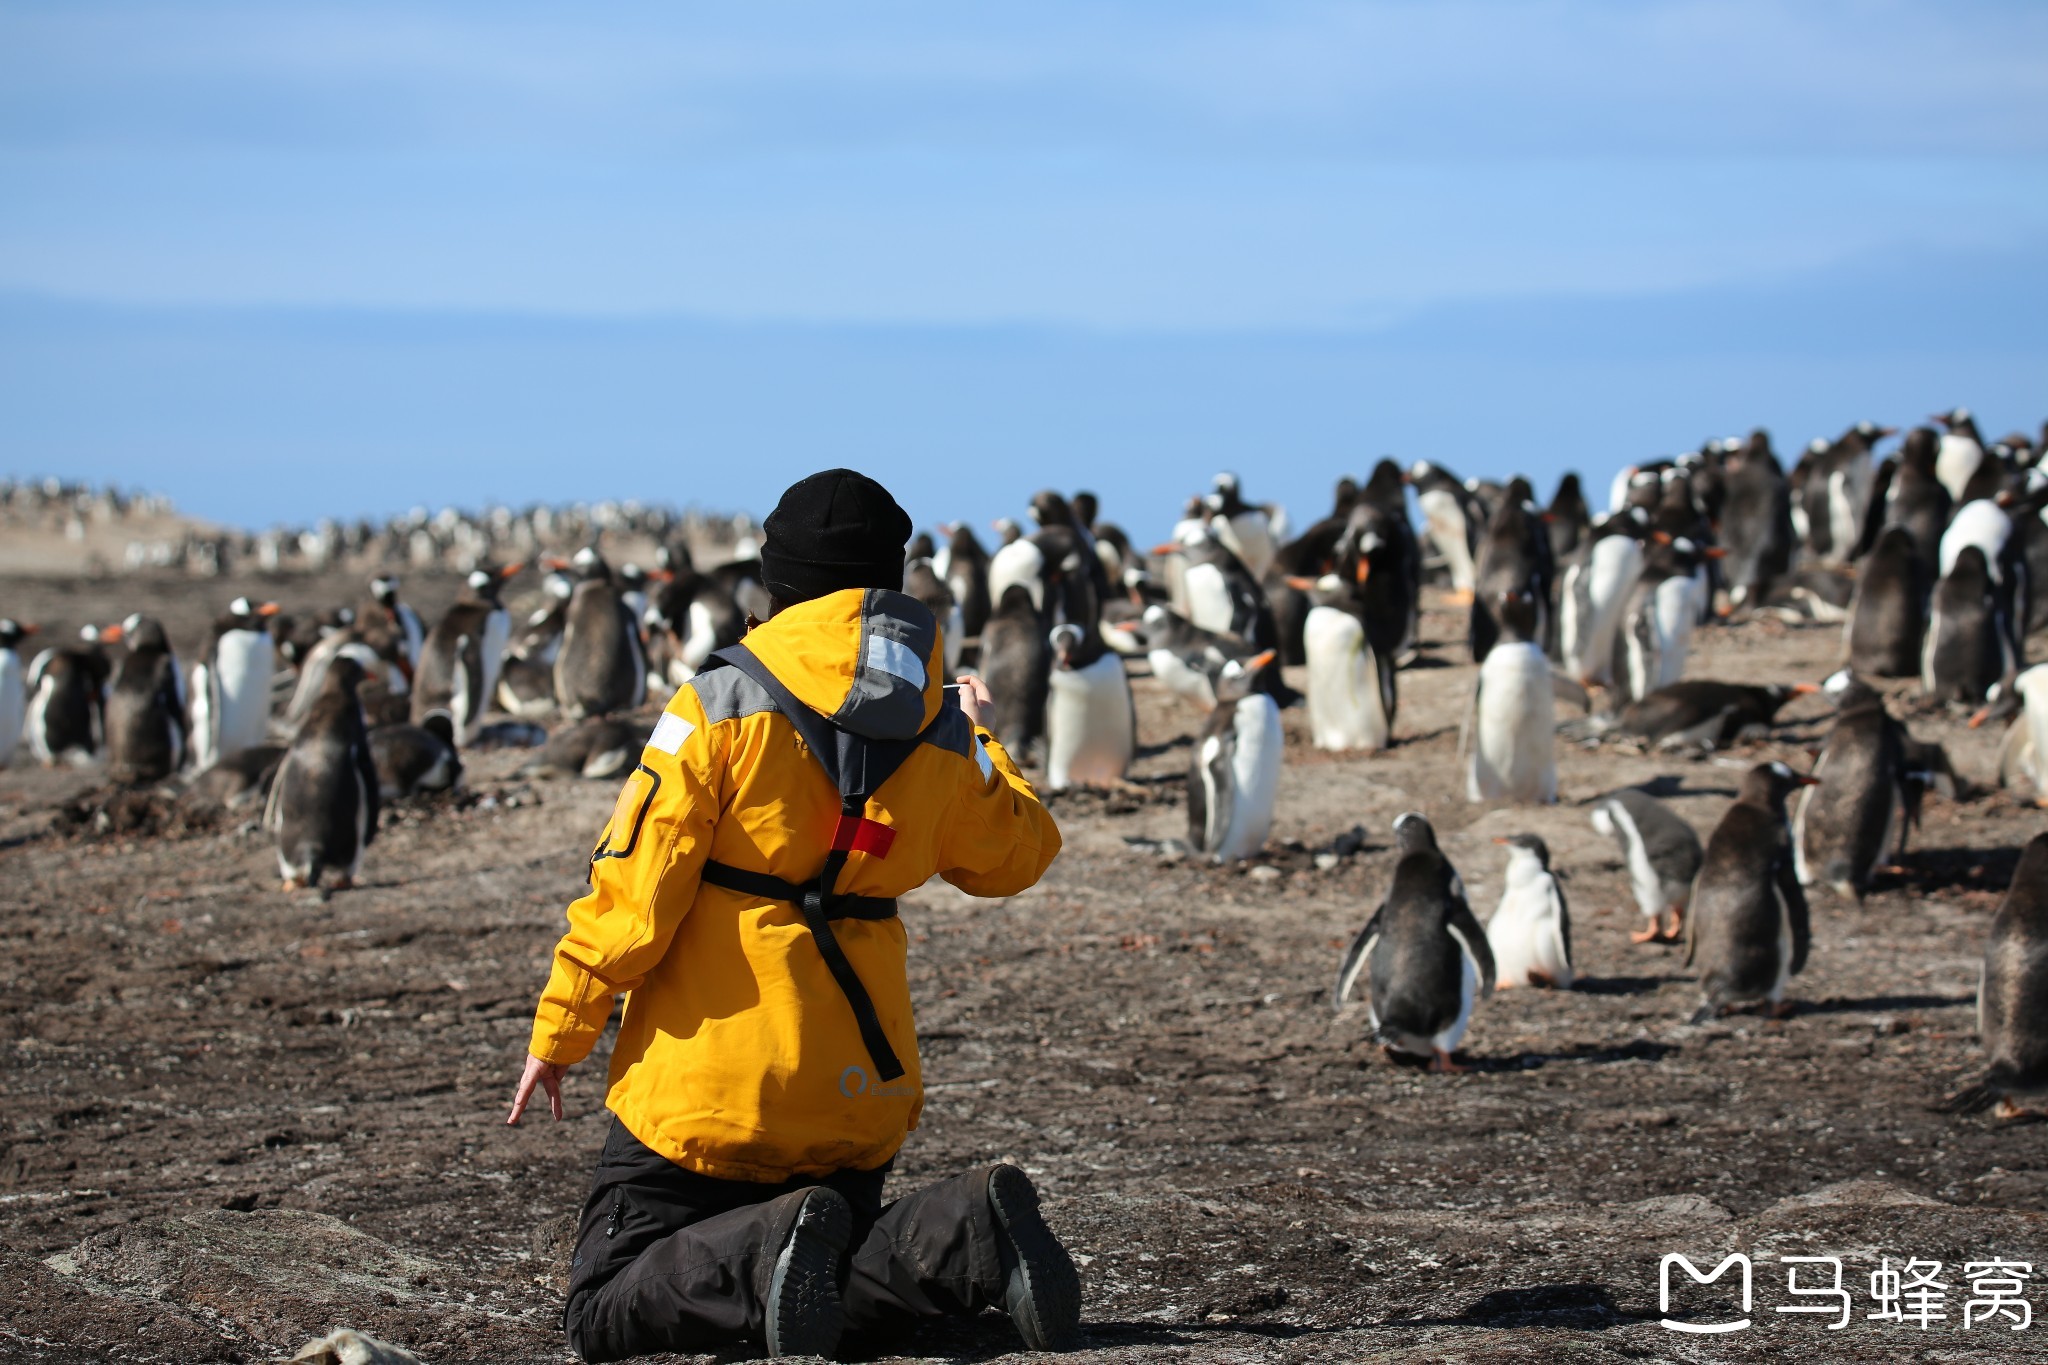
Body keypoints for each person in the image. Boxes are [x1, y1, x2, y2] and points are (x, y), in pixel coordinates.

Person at [508, 469, 1075, 1360]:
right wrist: (983, 740)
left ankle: (773, 1238)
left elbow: (634, 889)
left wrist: (559, 1029)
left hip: (708, 1097)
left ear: (775, 584)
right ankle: (964, 1233)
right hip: (852, 1098)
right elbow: (1020, 851)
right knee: (822, 1277)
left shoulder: (719, 704)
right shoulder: (935, 728)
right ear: (891, 582)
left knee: (604, 1304)